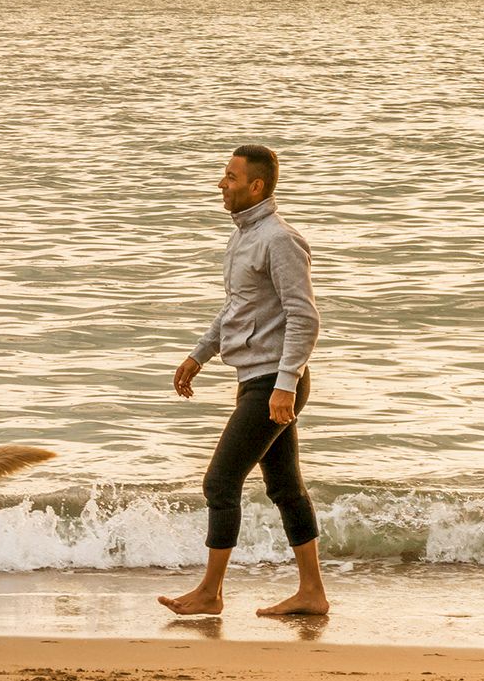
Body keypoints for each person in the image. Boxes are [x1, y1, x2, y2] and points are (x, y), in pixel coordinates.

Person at [159, 145, 330, 616]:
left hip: (274, 381)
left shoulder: (280, 240)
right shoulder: (242, 237)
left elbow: (305, 317)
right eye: (224, 175)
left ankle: (210, 593)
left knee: (220, 482)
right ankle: (312, 593)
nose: (222, 184)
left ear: (256, 186)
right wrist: (200, 353)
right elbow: (237, 307)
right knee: (285, 488)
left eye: (231, 177)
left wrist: (285, 384)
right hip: (258, 378)